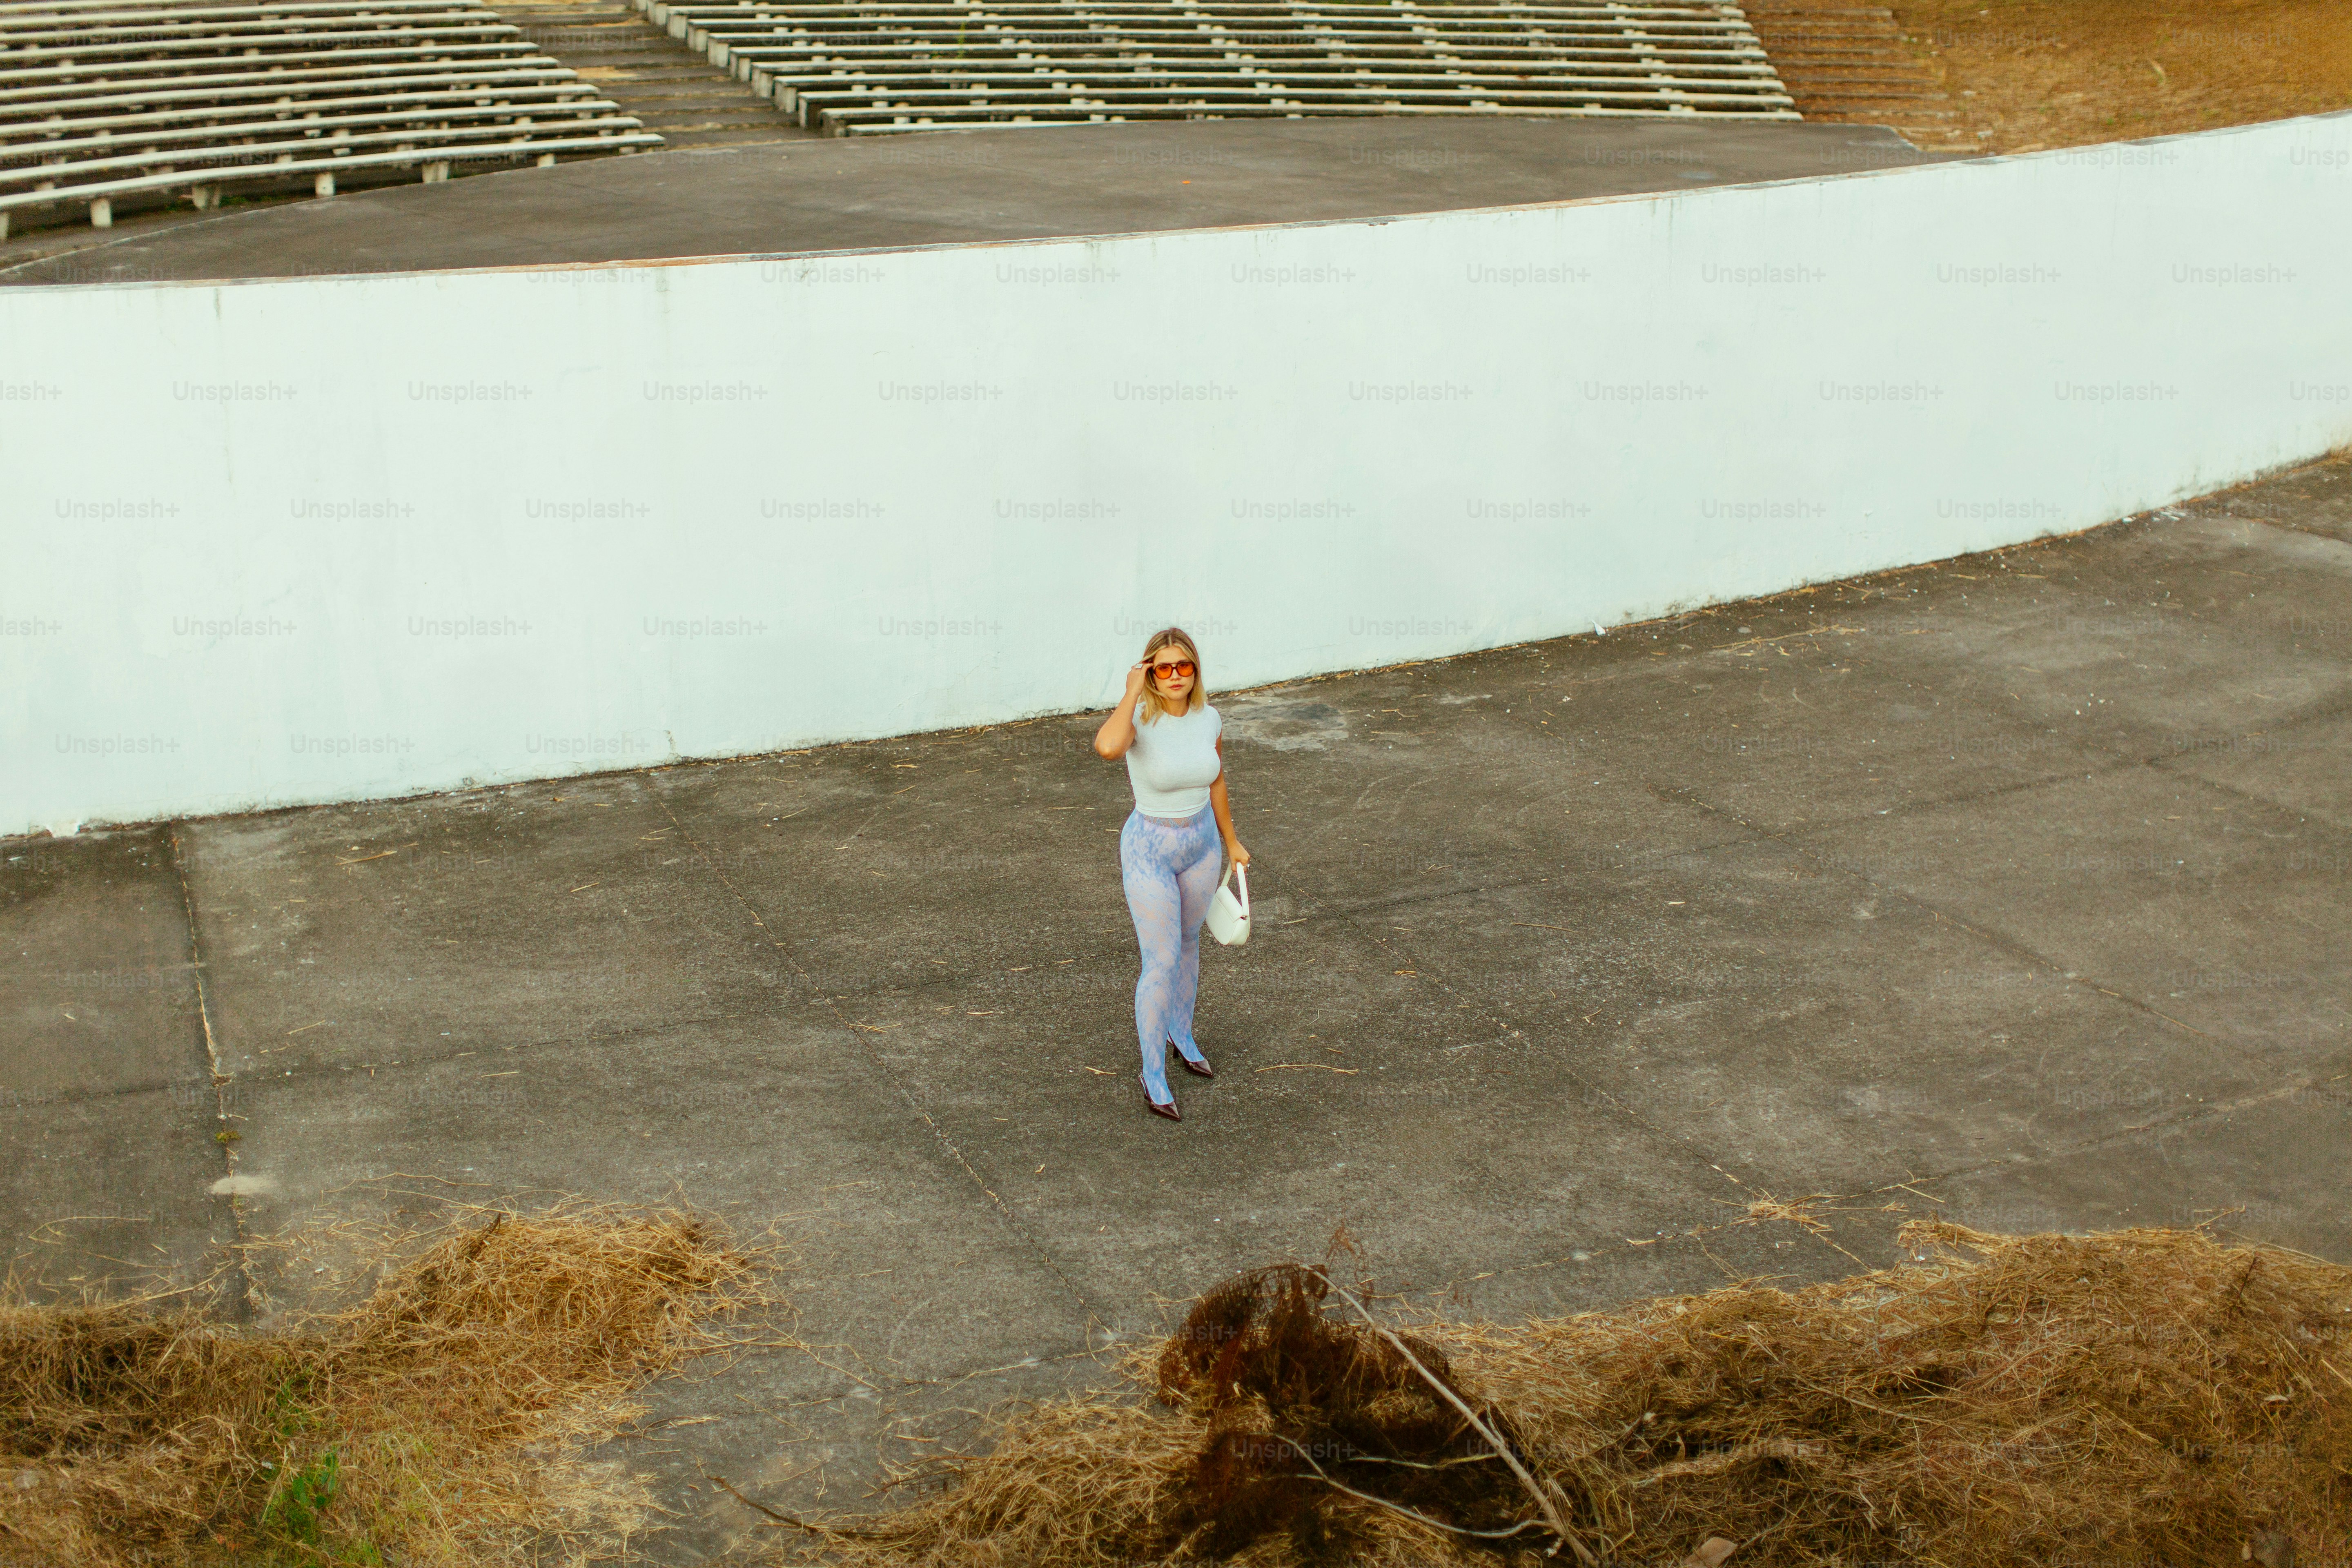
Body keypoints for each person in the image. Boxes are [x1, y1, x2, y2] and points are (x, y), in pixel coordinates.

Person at [1091, 627, 1251, 1123]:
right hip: (1149, 851)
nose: (1176, 675)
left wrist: (1232, 842)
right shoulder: (1137, 717)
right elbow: (1107, 748)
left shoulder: (1210, 719)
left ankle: (1181, 1034)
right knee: (1159, 961)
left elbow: (1217, 777)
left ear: (1195, 671)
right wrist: (1131, 691)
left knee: (1188, 945)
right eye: (1164, 667)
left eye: (1185, 666)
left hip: (1201, 844)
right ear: (1149, 671)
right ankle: (1152, 1071)